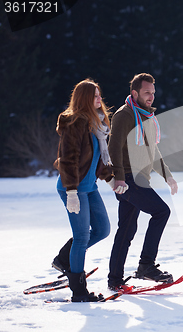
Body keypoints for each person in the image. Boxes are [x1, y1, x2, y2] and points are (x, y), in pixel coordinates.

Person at [52, 78, 127, 302]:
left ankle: (65, 258)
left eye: (99, 95)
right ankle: (79, 290)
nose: (99, 99)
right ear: (84, 99)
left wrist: (111, 181)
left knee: (102, 229)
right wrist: (72, 192)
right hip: (72, 187)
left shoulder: (97, 124)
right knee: (82, 236)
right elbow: (68, 160)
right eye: (94, 96)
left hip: (89, 187)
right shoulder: (75, 123)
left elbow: (96, 160)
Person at [107, 73, 178, 291]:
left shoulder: (146, 116)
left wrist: (167, 175)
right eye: (147, 92)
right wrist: (118, 178)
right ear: (134, 93)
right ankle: (146, 265)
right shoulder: (124, 115)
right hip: (128, 179)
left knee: (127, 230)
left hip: (139, 179)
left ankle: (115, 279)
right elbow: (113, 147)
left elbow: (153, 151)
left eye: (153, 93)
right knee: (161, 212)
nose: (151, 97)